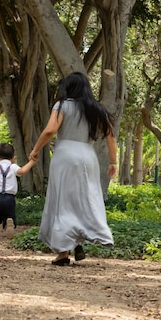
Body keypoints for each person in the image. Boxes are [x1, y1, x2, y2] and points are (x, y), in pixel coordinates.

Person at [29, 72, 117, 266]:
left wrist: (35, 149)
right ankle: (82, 240)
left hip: (66, 156)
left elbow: (51, 130)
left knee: (63, 201)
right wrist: (113, 161)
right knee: (85, 198)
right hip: (88, 156)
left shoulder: (62, 105)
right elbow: (110, 135)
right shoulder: (96, 108)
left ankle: (62, 252)